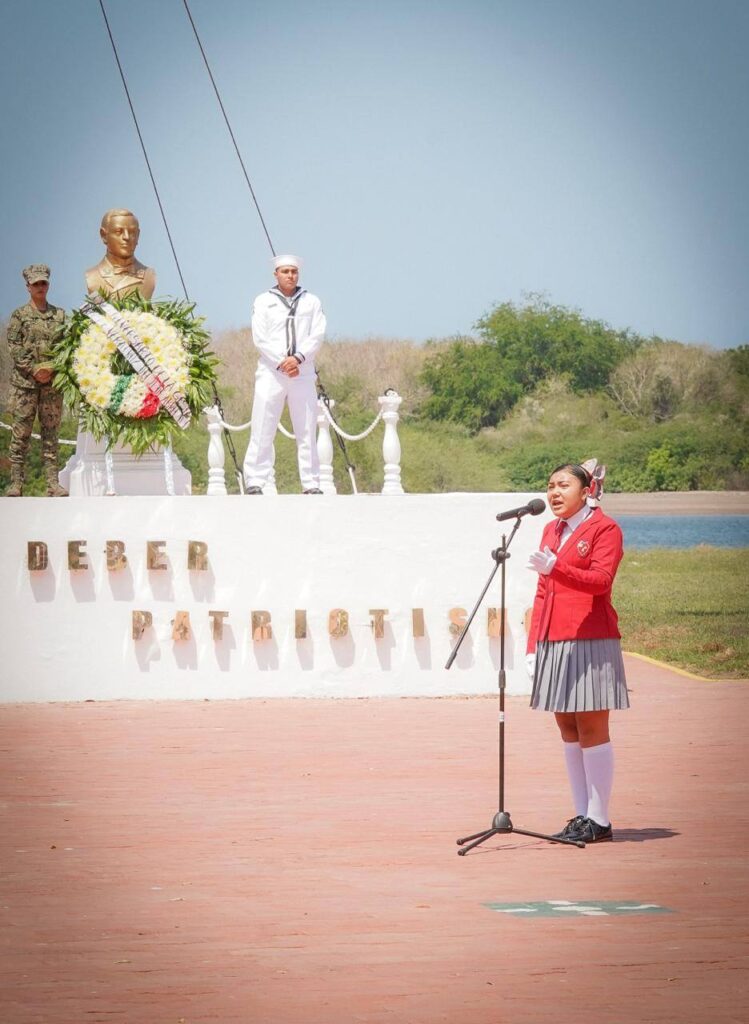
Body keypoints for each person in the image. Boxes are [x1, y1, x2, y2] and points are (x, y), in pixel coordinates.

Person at [525, 460, 628, 843]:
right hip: (554, 639)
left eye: (563, 485)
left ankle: (599, 819)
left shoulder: (605, 528)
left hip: (590, 637)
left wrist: (558, 568)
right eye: (550, 485)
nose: (554, 492)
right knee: (567, 726)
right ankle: (582, 814)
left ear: (586, 492)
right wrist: (533, 645)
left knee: (591, 726)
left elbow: (601, 581)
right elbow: (542, 592)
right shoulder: (551, 530)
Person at [243, 254, 326, 494]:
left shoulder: (311, 301)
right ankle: (255, 480)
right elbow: (261, 338)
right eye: (285, 271)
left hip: (302, 371)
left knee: (307, 428)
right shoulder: (263, 301)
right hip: (272, 371)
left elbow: (317, 334)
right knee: (263, 425)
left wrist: (298, 358)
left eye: (294, 271)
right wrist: (282, 362)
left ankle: (311, 482)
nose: (290, 275)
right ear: (276, 274)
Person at [5, 265, 68, 497]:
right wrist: (33, 369)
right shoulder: (19, 316)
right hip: (26, 385)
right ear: (28, 287)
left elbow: (66, 347)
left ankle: (52, 484)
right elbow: (14, 346)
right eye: (36, 284)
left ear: (48, 285)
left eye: (43, 283)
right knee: (21, 434)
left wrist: (53, 368)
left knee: (51, 435)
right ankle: (16, 483)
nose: (40, 287)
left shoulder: (60, 315)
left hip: (51, 385)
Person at [85, 208, 156, 300]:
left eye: (132, 232)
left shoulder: (149, 275)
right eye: (119, 232)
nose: (126, 237)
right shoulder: (92, 276)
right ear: (104, 235)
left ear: (138, 235)